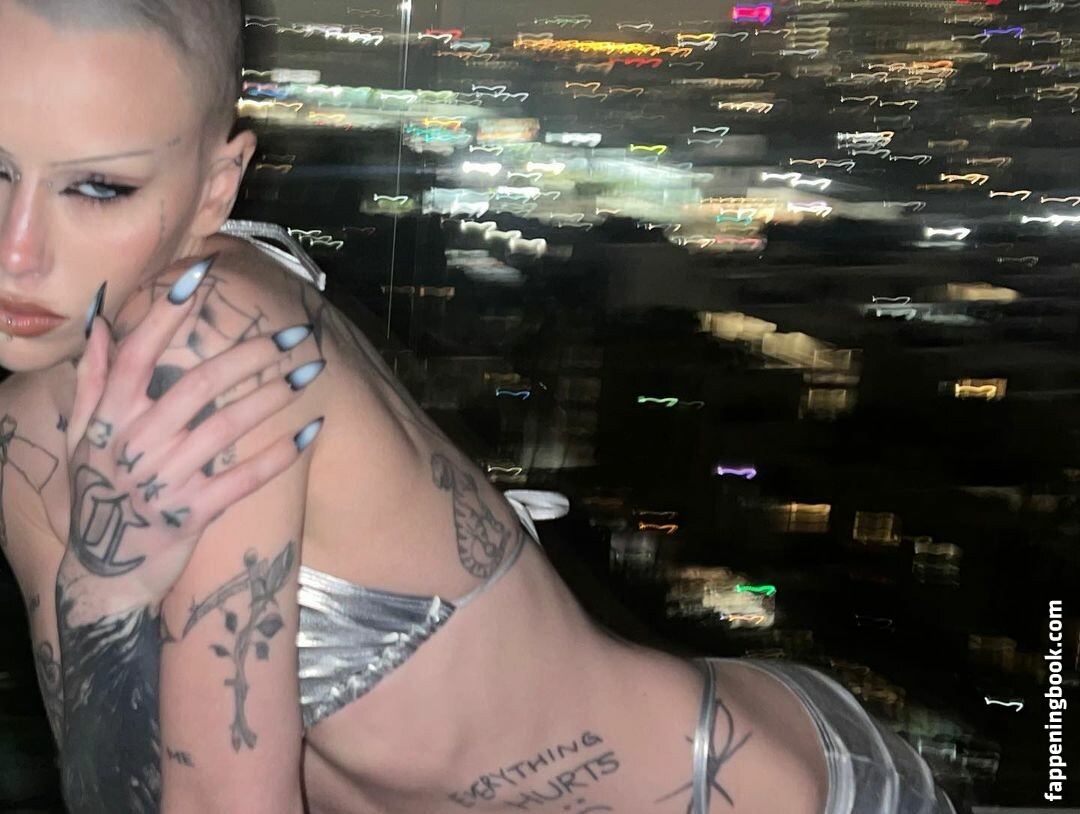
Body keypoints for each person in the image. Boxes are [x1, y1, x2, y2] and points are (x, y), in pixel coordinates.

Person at [0, 1, 957, 812]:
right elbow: (113, 784)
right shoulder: (26, 432)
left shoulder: (214, 342)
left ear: (216, 190)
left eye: (99, 187)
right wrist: (103, 592)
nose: (18, 251)